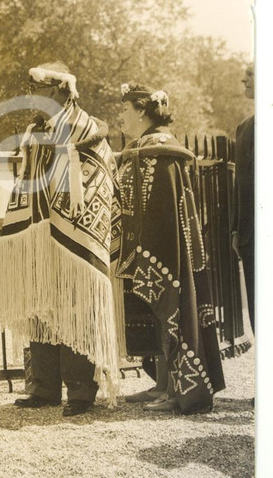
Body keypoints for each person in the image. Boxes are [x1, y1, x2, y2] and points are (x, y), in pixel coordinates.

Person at [0, 64, 121, 417]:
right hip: (38, 233)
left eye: (37, 90)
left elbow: (101, 182)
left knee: (75, 304)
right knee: (39, 301)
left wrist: (70, 222)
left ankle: (80, 391)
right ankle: (43, 387)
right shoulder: (35, 132)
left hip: (76, 236)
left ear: (58, 91)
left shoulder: (87, 130)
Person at [115, 83, 225, 414]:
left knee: (169, 306)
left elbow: (164, 210)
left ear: (142, 112)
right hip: (149, 245)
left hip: (165, 248)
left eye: (125, 110)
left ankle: (179, 391)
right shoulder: (142, 149)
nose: (120, 115)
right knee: (156, 312)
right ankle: (162, 384)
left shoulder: (161, 152)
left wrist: (153, 247)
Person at [233, 65, 255, 327]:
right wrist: (235, 230)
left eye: (251, 74)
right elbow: (239, 183)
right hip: (251, 238)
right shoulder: (243, 128)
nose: (243, 79)